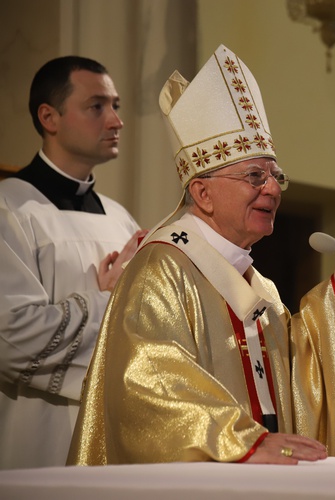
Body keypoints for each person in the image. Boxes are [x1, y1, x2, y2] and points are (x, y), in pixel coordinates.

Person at [67, 44, 335, 466]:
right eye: (254, 176)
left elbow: (292, 375)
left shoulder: (258, 285)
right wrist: (241, 441)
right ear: (203, 193)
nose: (272, 189)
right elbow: (149, 380)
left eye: (274, 176)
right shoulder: (161, 269)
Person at [0, 56, 145, 470]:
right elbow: (10, 339)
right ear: (50, 116)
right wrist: (106, 303)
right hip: (36, 441)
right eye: (97, 106)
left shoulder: (121, 219)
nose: (116, 121)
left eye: (115, 105)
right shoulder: (10, 209)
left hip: (116, 439)